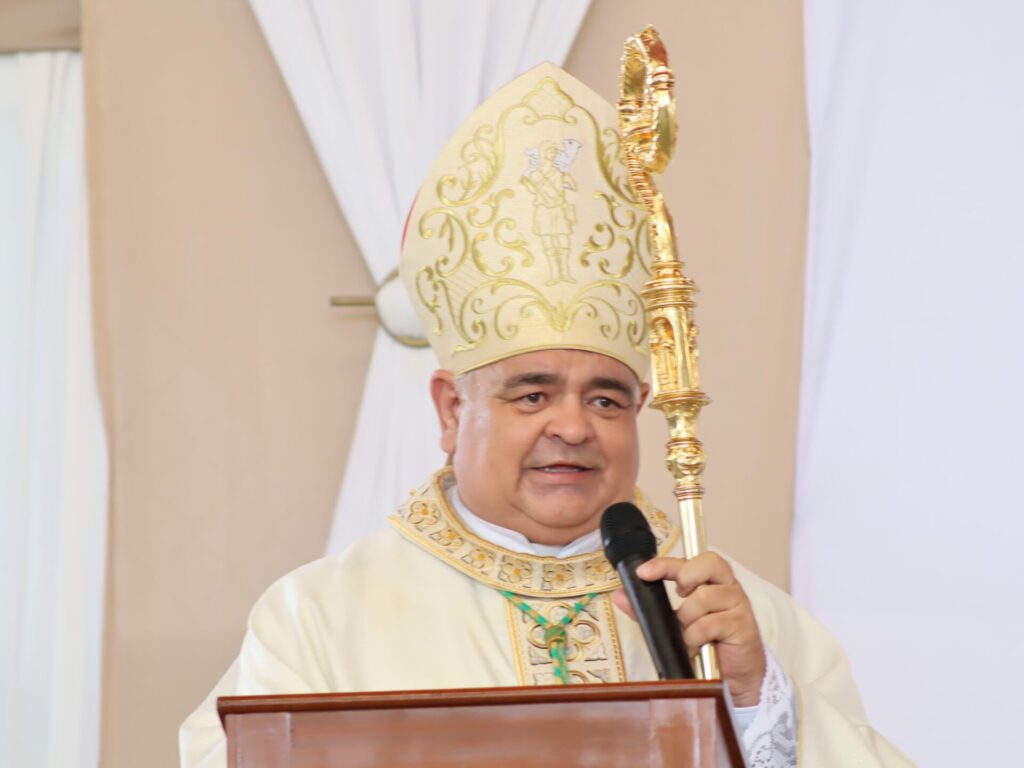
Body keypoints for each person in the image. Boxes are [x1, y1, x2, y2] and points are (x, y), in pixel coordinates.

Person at [179, 63, 913, 768]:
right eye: (532, 395)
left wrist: (753, 699)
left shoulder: (727, 616)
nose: (573, 427)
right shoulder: (319, 620)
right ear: (450, 410)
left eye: (605, 399)